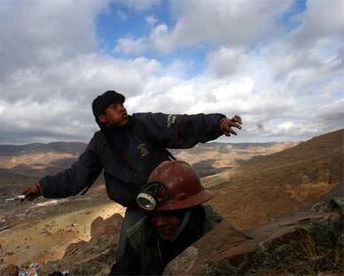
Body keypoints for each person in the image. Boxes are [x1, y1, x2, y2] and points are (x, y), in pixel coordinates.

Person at [22, 90, 242, 260]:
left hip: (170, 198)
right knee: (127, 253)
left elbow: (180, 125)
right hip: (139, 207)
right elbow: (76, 176)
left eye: (122, 105)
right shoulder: (99, 144)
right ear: (103, 118)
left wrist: (216, 123)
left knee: (211, 224)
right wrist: (42, 187)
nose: (122, 109)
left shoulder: (143, 123)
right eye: (115, 107)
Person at [110, 160, 223, 275]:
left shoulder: (216, 234)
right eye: (154, 214)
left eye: (169, 214)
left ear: (189, 210)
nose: (159, 223)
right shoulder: (141, 235)